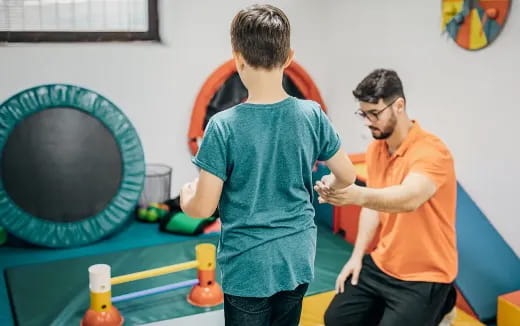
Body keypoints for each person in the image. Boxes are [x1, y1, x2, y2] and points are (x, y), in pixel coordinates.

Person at [179, 4, 357, 326]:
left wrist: (185, 196)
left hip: (248, 268)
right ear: (289, 57)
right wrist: (331, 186)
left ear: (237, 59)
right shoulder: (312, 114)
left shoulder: (222, 125)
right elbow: (347, 175)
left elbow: (203, 207)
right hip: (298, 258)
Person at [316, 69, 458, 326]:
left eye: (375, 113)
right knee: (336, 320)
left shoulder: (432, 152)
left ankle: (443, 306)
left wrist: (353, 194)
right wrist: (357, 256)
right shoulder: (376, 150)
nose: (368, 121)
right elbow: (373, 207)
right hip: (384, 264)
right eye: (363, 113)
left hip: (426, 275)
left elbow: (409, 198)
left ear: (399, 106)